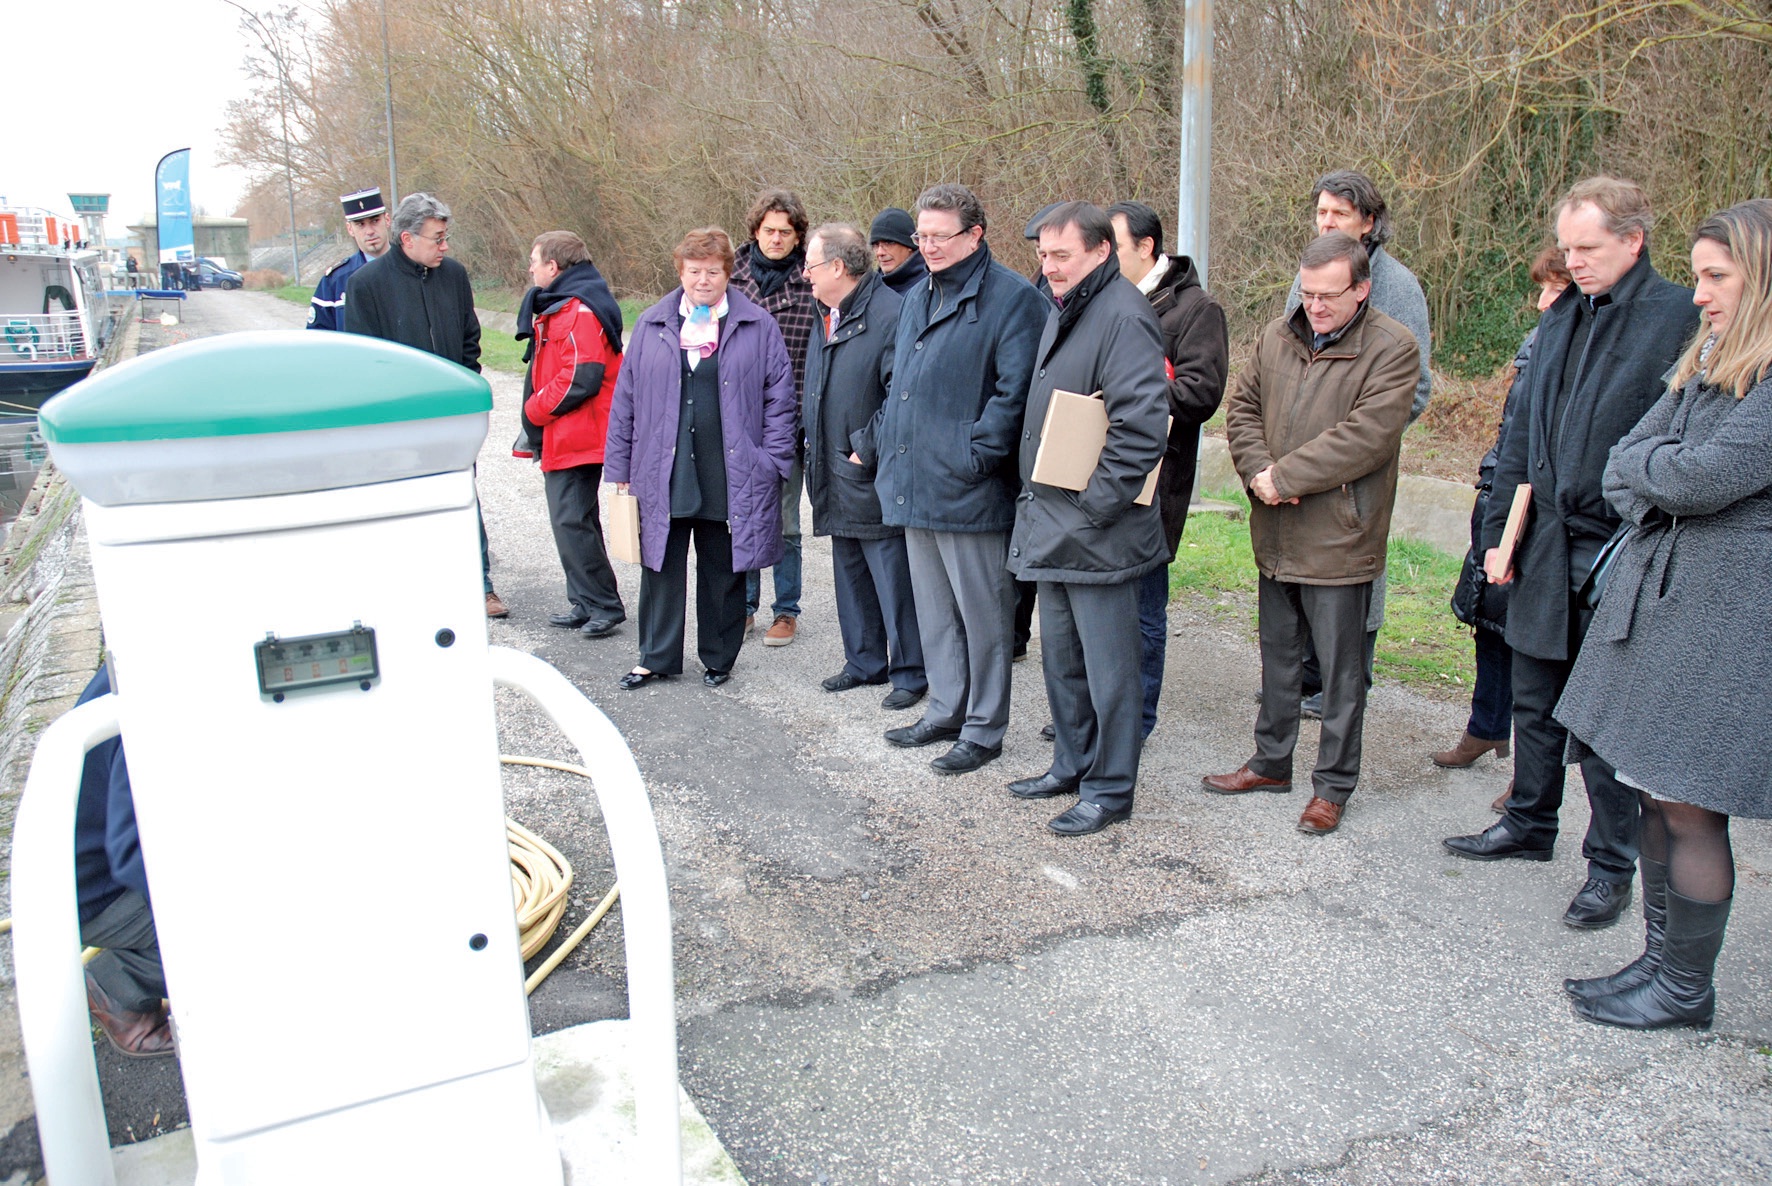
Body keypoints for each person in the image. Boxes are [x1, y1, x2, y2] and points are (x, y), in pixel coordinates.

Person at [1442, 177, 1700, 930]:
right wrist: (1500, 535)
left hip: (1620, 544)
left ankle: (1610, 866)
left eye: (1588, 248)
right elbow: (1521, 432)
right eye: (1568, 247)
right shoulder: (1562, 318)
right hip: (1541, 536)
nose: (1575, 261)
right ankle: (1529, 821)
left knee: (1603, 720)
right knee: (1534, 693)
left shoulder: (1678, 319)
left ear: (1633, 239)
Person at [1554, 199, 1772, 1029]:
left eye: (1718, 277)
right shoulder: (1712, 359)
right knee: (1651, 791)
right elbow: (1624, 463)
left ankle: (1685, 988)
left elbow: (1699, 478)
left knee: (1687, 802)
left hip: (1727, 623)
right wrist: (1661, 467)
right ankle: (1657, 963)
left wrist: (1661, 469)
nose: (1702, 293)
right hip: (1666, 609)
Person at [1205, 232, 1418, 835]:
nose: (1316, 306)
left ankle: (1333, 788)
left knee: (1341, 673)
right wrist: (1258, 474)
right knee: (1277, 658)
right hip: (1275, 526)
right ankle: (1271, 762)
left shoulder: (1392, 348)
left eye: (1329, 296)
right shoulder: (1278, 334)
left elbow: (1368, 436)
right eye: (1308, 292)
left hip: (1340, 535)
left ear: (1362, 289)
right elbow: (1241, 406)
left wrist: (1287, 475)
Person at [855, 182, 1047, 775]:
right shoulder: (918, 293)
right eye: (923, 236)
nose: (929, 246)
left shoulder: (1014, 300)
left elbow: (1017, 395)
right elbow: (899, 379)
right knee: (935, 610)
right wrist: (885, 444)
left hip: (970, 486)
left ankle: (984, 727)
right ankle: (944, 708)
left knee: (984, 615)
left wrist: (975, 455)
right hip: (915, 477)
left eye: (940, 236)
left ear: (975, 235)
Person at [1006, 202, 1169, 835]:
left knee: (1110, 673)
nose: (1048, 267)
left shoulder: (1124, 317)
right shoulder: (1070, 306)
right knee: (1063, 661)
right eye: (1043, 256)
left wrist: (1093, 508)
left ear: (1101, 252)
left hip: (1098, 530)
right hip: (1056, 523)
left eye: (1061, 255)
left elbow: (1140, 430)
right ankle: (1071, 765)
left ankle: (1110, 788)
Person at [603, 227, 796, 689]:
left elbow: (780, 398)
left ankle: (718, 658)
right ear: (680, 272)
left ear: (729, 273)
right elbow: (625, 399)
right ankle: (656, 656)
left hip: (729, 468)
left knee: (722, 568)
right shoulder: (652, 323)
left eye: (713, 270)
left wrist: (770, 462)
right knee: (660, 565)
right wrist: (621, 468)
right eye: (694, 271)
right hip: (664, 468)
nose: (703, 280)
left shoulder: (756, 325)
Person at [1285, 170, 1434, 717]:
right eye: (1321, 212)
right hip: (1297, 459)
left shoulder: (1398, 286)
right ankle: (1301, 672)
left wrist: (1356, 440)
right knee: (1296, 559)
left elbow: (1414, 389)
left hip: (1358, 465)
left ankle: (1347, 681)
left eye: (1339, 214)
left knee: (1354, 568)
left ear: (1369, 222)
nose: (1327, 222)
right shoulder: (1305, 276)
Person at [1434, 247, 1572, 806]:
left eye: (1555, 291)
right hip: (1501, 496)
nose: (1542, 302)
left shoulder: (1587, 348)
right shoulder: (1539, 339)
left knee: (1536, 642)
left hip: (1546, 511)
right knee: (1489, 621)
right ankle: (1486, 727)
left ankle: (1535, 773)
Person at [345, 192, 507, 619]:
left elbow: (470, 336)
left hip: (453, 416)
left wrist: (464, 382)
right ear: (407, 238)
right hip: (397, 422)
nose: (445, 246)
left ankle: (480, 584)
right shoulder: (367, 285)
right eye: (437, 238)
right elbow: (363, 360)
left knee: (461, 496)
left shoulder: (453, 276)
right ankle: (411, 588)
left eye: (445, 237)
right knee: (402, 504)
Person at [1107, 199, 1230, 740]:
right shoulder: (1103, 300)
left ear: (1146, 247)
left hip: (1159, 483)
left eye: (1114, 246)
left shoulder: (1197, 310)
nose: (1105, 256)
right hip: (1100, 471)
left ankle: (1136, 717)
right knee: (1100, 605)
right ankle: (1099, 710)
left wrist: (1128, 390)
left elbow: (1201, 394)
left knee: (1142, 609)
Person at [802, 223, 927, 710]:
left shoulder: (891, 314)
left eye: (811, 266)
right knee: (849, 567)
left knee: (892, 575)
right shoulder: (826, 312)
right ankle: (864, 661)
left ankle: (911, 673)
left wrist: (864, 448)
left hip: (868, 468)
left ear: (837, 266)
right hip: (833, 465)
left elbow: (902, 394)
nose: (805, 276)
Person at [517, 230, 628, 639]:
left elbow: (581, 377)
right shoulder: (565, 305)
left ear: (554, 266)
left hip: (580, 434)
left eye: (535, 261)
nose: (530, 268)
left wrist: (532, 410)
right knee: (575, 519)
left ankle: (602, 605)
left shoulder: (579, 311)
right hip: (567, 433)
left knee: (571, 520)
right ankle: (584, 600)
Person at [731, 189, 818, 647]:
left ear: (798, 235)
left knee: (786, 520)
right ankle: (743, 607)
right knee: (742, 514)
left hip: (791, 420)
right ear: (756, 231)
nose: (777, 239)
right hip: (737, 420)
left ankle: (785, 610)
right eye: (770, 230)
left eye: (786, 232)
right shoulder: (731, 278)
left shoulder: (813, 279)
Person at [75, 665, 172, 1058]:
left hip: (103, 856)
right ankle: (119, 987)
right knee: (264, 938)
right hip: (100, 885)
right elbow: (132, 853)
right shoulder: (158, 679)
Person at [308, 187, 391, 331]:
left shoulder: (412, 269)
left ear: (387, 220)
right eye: (360, 225)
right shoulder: (335, 280)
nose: (370, 231)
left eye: (375, 221)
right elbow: (318, 338)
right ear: (350, 229)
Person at [869, 208, 928, 295]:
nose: (880, 252)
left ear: (909, 246)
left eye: (889, 243)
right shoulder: (871, 288)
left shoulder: (930, 285)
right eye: (876, 245)